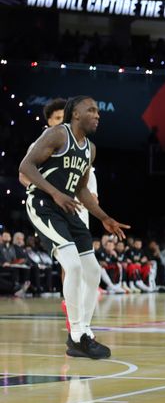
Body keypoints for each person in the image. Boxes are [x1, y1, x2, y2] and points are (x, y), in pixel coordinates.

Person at [18, 96, 129, 359]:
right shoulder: (58, 134)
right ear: (76, 114)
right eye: (91, 110)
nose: (97, 115)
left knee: (92, 270)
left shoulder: (89, 149)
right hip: (43, 204)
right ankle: (77, 335)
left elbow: (81, 189)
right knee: (74, 265)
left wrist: (104, 217)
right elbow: (25, 166)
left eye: (98, 111)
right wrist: (55, 193)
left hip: (69, 208)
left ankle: (83, 334)